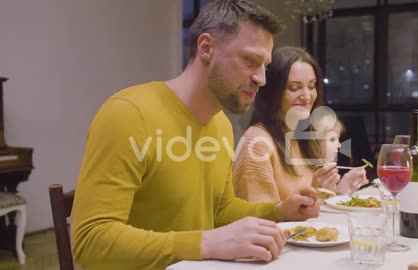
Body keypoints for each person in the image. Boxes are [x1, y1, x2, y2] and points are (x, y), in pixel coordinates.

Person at [71, 1, 322, 270]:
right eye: (250, 61)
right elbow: (90, 242)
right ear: (206, 48)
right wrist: (206, 243)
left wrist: (279, 211)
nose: (261, 78)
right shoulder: (128, 115)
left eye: (265, 66)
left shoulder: (221, 125)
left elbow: (221, 211)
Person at [233, 46, 368, 203]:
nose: (307, 96)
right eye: (294, 88)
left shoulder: (304, 135)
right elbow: (263, 222)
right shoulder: (257, 143)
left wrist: (338, 192)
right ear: (273, 92)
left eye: (311, 86)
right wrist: (316, 193)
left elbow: (314, 210)